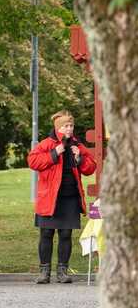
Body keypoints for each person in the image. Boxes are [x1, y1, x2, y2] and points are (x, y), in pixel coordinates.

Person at [28, 110, 96, 284]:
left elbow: (91, 167)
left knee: (66, 234)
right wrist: (53, 154)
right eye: (66, 126)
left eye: (71, 125)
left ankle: (62, 272)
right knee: (46, 234)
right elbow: (33, 162)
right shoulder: (47, 144)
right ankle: (44, 272)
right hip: (50, 198)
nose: (69, 129)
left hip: (70, 197)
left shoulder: (77, 145)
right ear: (58, 128)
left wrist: (79, 158)